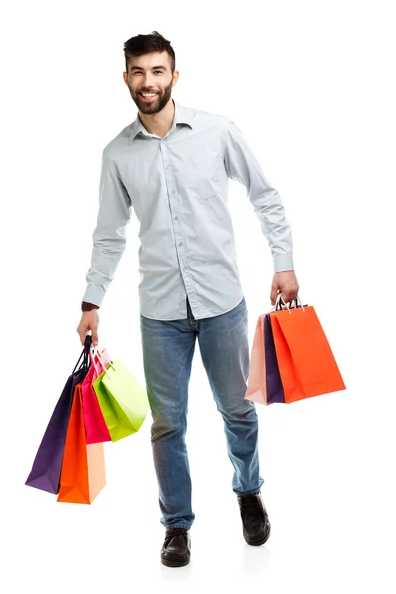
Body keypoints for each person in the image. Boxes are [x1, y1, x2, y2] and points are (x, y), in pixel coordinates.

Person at [77, 30, 299, 568]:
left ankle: (248, 491)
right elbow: (109, 234)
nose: (147, 82)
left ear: (174, 76)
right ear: (125, 78)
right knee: (167, 424)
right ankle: (176, 526)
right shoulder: (116, 155)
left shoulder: (217, 132)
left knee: (238, 412)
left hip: (222, 302)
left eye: (157, 71)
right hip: (161, 313)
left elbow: (264, 194)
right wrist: (91, 301)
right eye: (138, 72)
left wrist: (284, 261)